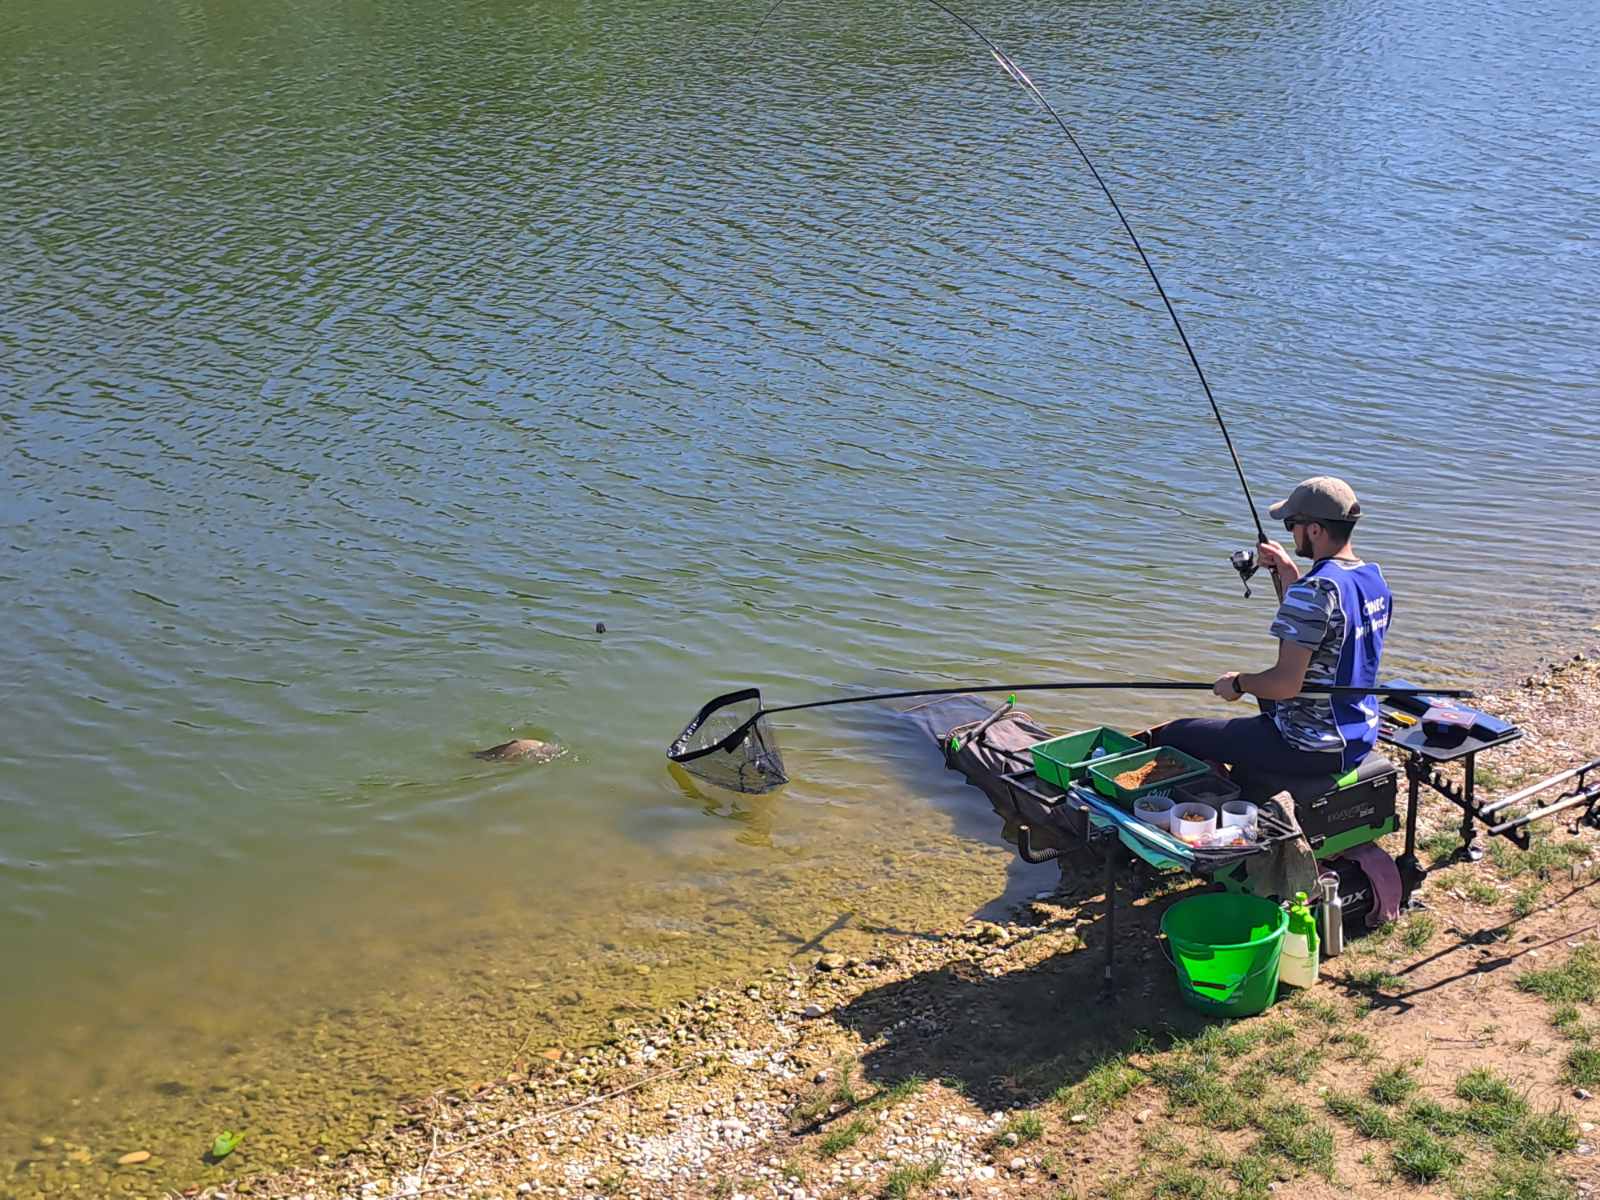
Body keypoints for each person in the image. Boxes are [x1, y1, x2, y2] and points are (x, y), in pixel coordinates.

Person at [1145, 476, 1392, 776]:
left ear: (1314, 530)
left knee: (1175, 735)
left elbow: (1286, 684)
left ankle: (1228, 791)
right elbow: (1328, 636)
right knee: (1262, 695)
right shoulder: (1373, 579)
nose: (1291, 533)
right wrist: (1289, 574)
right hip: (1358, 733)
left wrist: (1238, 683)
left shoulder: (1315, 590)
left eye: (1292, 525)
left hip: (1312, 746)